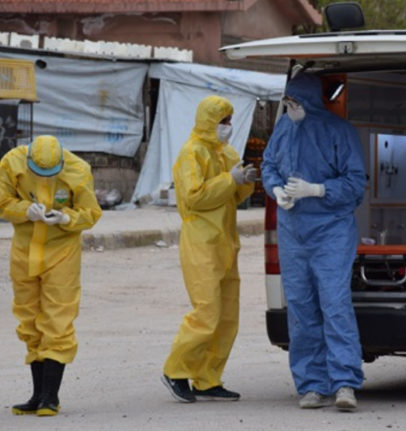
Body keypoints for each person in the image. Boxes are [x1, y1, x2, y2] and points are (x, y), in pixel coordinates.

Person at [262, 73, 366, 411]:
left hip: (330, 229)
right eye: (287, 101)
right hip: (293, 230)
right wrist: (276, 190)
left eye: (294, 101)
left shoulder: (339, 132)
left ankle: (345, 384)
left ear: (307, 99)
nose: (289, 107)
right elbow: (268, 166)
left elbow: (355, 183)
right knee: (301, 308)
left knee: (334, 304)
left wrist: (317, 190)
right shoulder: (283, 129)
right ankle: (310, 385)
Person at [0, 135, 102, 417]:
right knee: (29, 318)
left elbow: (90, 212)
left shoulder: (78, 169)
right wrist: (24, 210)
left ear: (62, 161)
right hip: (25, 251)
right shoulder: (11, 163)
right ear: (28, 160)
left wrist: (67, 218)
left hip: (62, 253)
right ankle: (37, 395)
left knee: (58, 319)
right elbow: (2, 203)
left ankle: (50, 397)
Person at [160, 95, 257, 403]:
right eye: (223, 121)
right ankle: (176, 370)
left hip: (226, 241)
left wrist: (247, 180)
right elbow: (194, 197)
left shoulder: (226, 153)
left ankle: (207, 378)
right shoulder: (191, 153)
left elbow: (234, 196)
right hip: (201, 241)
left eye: (230, 121)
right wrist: (231, 179)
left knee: (227, 316)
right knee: (207, 312)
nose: (228, 127)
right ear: (208, 122)